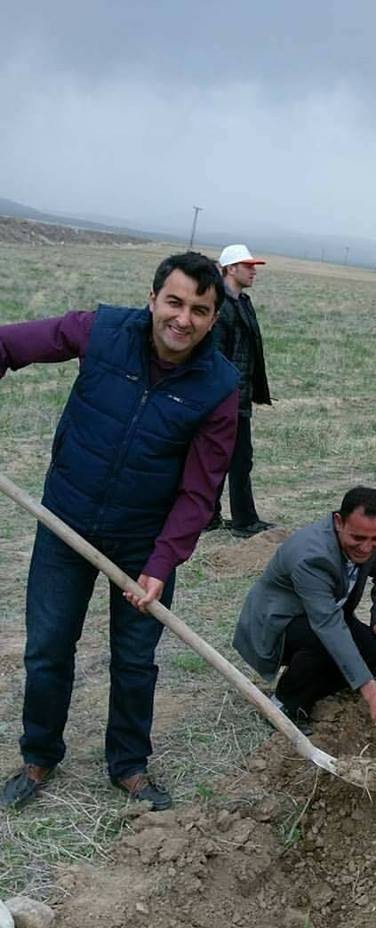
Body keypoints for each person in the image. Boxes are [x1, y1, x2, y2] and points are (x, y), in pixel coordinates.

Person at [0, 253, 239, 811]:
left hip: (142, 544)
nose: (183, 319)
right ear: (153, 298)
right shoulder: (101, 330)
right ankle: (39, 756)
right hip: (66, 523)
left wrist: (160, 565)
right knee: (48, 648)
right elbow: (10, 345)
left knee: (135, 660)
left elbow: (199, 493)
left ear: (212, 318)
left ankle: (128, 764)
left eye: (199, 310)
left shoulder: (218, 386)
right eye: (175, 302)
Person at [233, 487, 376, 734]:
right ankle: (284, 703)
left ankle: (321, 684)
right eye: (357, 539)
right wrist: (371, 691)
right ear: (338, 522)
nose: (367, 548)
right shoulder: (310, 556)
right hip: (281, 624)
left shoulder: (371, 534)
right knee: (325, 644)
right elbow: (327, 626)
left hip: (328, 615)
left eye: (375, 539)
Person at [210, 243, 275, 538]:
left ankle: (209, 517)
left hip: (239, 395)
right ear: (230, 269)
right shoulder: (220, 306)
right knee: (238, 459)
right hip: (227, 398)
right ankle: (244, 521)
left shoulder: (242, 302)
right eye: (248, 266)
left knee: (223, 458)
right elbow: (217, 358)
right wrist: (224, 396)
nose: (253, 271)